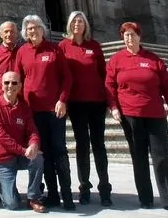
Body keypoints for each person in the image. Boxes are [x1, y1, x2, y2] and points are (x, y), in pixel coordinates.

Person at [105, 22, 168, 214]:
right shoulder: (116, 60)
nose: (129, 38)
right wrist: (114, 107)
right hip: (130, 115)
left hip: (155, 113)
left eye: (132, 35)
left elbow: (167, 85)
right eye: (125, 35)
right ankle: (146, 198)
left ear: (139, 37)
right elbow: (109, 86)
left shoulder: (153, 59)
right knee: (138, 158)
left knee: (162, 157)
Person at [16, 14, 75, 210]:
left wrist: (62, 100)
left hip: (54, 109)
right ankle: (52, 193)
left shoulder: (54, 49)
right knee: (43, 153)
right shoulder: (22, 52)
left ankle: (67, 194)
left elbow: (67, 78)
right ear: (25, 32)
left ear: (43, 29)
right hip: (33, 111)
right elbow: (18, 80)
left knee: (59, 150)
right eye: (29, 29)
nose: (33, 31)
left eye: (36, 27)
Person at [58, 11, 112, 206]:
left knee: (99, 144)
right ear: (69, 25)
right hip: (76, 103)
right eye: (74, 21)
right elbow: (61, 75)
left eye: (80, 21)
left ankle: (105, 188)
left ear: (86, 25)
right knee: (82, 145)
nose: (77, 24)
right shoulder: (63, 46)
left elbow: (103, 74)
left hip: (97, 102)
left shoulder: (94, 46)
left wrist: (108, 101)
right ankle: (84, 188)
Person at [0, 71, 47, 213]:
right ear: (1, 85)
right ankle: (6, 190)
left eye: (14, 83)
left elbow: (32, 130)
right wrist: (23, 150)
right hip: (3, 159)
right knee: (12, 204)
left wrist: (33, 144)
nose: (10, 86)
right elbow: (0, 136)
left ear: (20, 86)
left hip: (21, 156)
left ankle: (33, 197)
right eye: (6, 83)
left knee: (38, 157)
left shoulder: (24, 107)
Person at [0, 20, 20, 98]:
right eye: (6, 31)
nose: (9, 34)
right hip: (0, 98)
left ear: (16, 34)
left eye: (12, 32)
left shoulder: (22, 52)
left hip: (20, 99)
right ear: (1, 34)